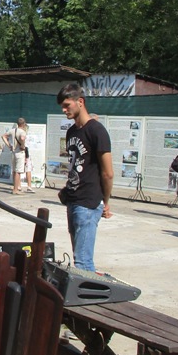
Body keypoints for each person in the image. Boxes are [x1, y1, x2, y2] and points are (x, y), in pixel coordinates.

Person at [56, 84, 113, 273]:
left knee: (82, 262)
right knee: (79, 256)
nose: (64, 110)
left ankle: (87, 299)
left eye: (67, 105)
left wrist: (105, 201)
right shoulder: (71, 132)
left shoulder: (97, 131)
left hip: (88, 202)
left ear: (80, 102)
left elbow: (107, 172)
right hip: (73, 199)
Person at [2, 118, 29, 194]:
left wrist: (9, 145)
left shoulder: (13, 130)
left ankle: (16, 187)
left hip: (13, 152)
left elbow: (3, 136)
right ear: (23, 124)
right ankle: (15, 189)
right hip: (20, 152)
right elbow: (22, 138)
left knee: (14, 171)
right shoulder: (23, 132)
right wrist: (23, 145)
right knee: (18, 172)